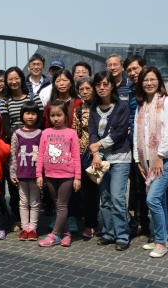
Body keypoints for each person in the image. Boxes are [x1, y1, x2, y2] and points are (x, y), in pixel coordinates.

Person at [133, 66, 168, 258]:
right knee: (158, 199)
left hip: (166, 158)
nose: (149, 83)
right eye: (145, 80)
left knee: (152, 198)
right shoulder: (141, 106)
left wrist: (160, 156)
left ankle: (161, 242)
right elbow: (137, 135)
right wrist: (138, 159)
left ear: (159, 81)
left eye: (153, 79)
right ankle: (162, 236)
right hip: (147, 160)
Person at [89, 70, 131, 251]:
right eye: (98, 84)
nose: (102, 87)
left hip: (120, 158)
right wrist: (95, 154)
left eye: (105, 84)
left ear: (112, 86)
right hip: (101, 159)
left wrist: (98, 145)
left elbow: (120, 132)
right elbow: (92, 132)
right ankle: (108, 232)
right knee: (105, 198)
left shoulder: (122, 106)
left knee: (117, 197)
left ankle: (122, 235)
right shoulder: (93, 108)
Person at [0, 67, 44, 230]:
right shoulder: (5, 101)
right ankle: (19, 219)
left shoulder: (34, 97)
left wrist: (30, 136)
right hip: (16, 143)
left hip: (33, 143)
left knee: (34, 180)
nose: (13, 81)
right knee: (15, 182)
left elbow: (40, 120)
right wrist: (18, 138)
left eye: (16, 78)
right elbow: (6, 125)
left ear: (22, 79)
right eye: (10, 79)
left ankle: (33, 221)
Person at [42, 68, 83, 233]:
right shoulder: (50, 104)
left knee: (72, 188)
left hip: (72, 147)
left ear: (71, 82)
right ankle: (59, 217)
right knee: (55, 189)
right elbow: (46, 126)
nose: (61, 83)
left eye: (65, 80)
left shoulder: (78, 103)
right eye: (58, 80)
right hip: (54, 149)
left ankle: (71, 217)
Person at [36, 100, 81, 247]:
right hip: (50, 175)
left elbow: (76, 156)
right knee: (57, 205)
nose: (56, 118)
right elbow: (41, 155)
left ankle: (55, 235)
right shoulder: (45, 133)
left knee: (61, 205)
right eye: (53, 115)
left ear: (65, 116)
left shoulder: (71, 133)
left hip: (67, 175)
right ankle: (66, 233)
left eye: (59, 115)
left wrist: (77, 177)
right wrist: (39, 174)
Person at [9, 102, 42, 241]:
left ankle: (33, 228)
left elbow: (43, 154)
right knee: (23, 202)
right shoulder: (17, 133)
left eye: (33, 113)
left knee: (34, 202)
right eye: (27, 113)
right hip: (21, 174)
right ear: (22, 115)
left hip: (35, 175)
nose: (30, 116)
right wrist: (12, 172)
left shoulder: (40, 133)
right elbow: (12, 154)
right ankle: (25, 228)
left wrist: (42, 174)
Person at [72, 76, 100, 239]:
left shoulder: (101, 106)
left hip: (102, 154)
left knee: (105, 192)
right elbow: (75, 133)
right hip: (84, 156)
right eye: (81, 89)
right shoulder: (78, 109)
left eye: (88, 88)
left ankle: (109, 224)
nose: (84, 92)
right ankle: (91, 224)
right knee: (89, 193)